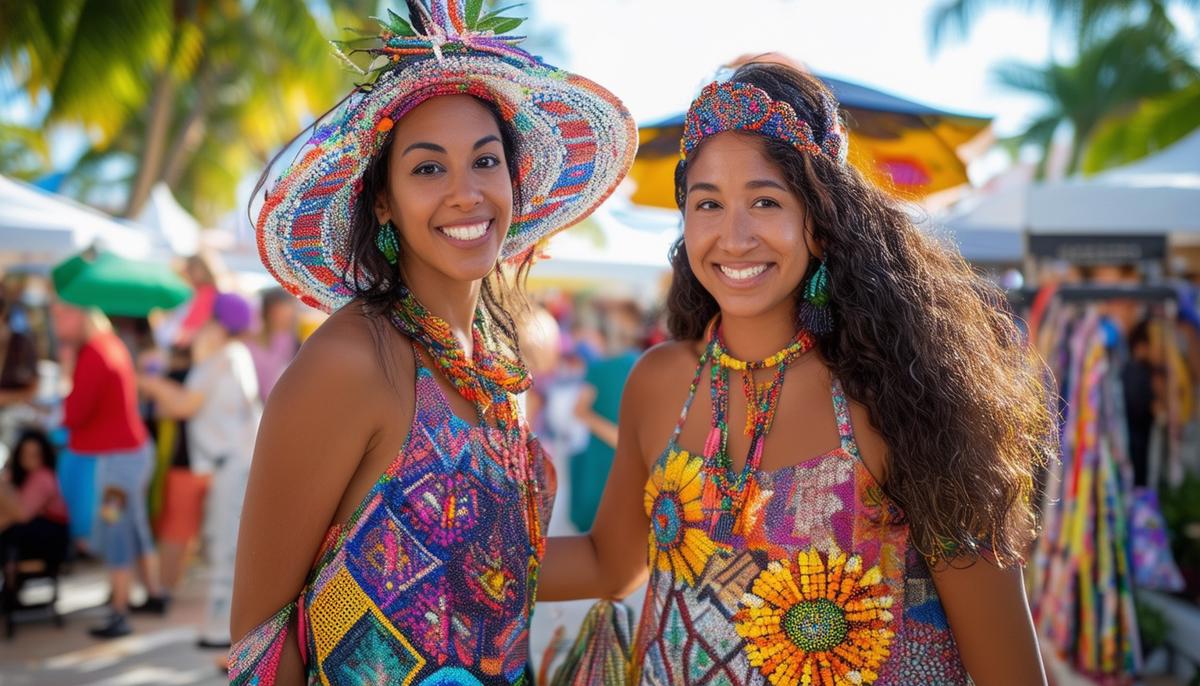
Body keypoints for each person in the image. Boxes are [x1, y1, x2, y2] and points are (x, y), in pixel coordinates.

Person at [539, 62, 1057, 686]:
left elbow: (1011, 673)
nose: (733, 236)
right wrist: (454, 567)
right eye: (708, 203)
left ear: (820, 218)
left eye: (765, 201)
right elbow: (608, 562)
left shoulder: (900, 395)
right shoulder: (659, 383)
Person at [227, 1, 636, 682]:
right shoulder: (351, 362)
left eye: (484, 160)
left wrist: (673, 436)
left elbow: (525, 577)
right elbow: (259, 643)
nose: (465, 193)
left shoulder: (495, 371)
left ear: (514, 178)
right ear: (382, 199)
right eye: (426, 169)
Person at [140, 292, 261, 650]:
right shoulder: (225, 356)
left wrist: (144, 380)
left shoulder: (224, 357)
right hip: (231, 464)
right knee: (222, 544)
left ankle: (224, 630)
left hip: (233, 465)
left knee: (226, 548)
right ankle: (223, 627)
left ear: (218, 323)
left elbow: (182, 406)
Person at [53, 301, 164, 638]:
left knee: (117, 529)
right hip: (130, 454)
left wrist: (66, 370)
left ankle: (119, 611)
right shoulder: (110, 344)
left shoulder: (94, 353)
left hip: (120, 462)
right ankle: (154, 594)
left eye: (61, 314)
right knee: (133, 526)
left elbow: (74, 414)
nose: (56, 321)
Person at [568, 301, 643, 531]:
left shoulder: (598, 369)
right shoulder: (643, 363)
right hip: (633, 460)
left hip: (602, 459)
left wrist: (594, 422)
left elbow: (578, 410)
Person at [0, 428, 70, 606]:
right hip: (31, 535)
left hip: (49, 541)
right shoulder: (27, 477)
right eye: (25, 453)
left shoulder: (43, 477)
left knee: (10, 534)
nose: (28, 459)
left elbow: (21, 514)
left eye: (34, 454)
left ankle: (10, 591)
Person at [246, 288, 299, 404]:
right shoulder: (250, 340)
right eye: (281, 314)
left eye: (289, 315)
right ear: (267, 313)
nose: (286, 320)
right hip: (254, 404)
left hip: (275, 403)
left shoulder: (288, 339)